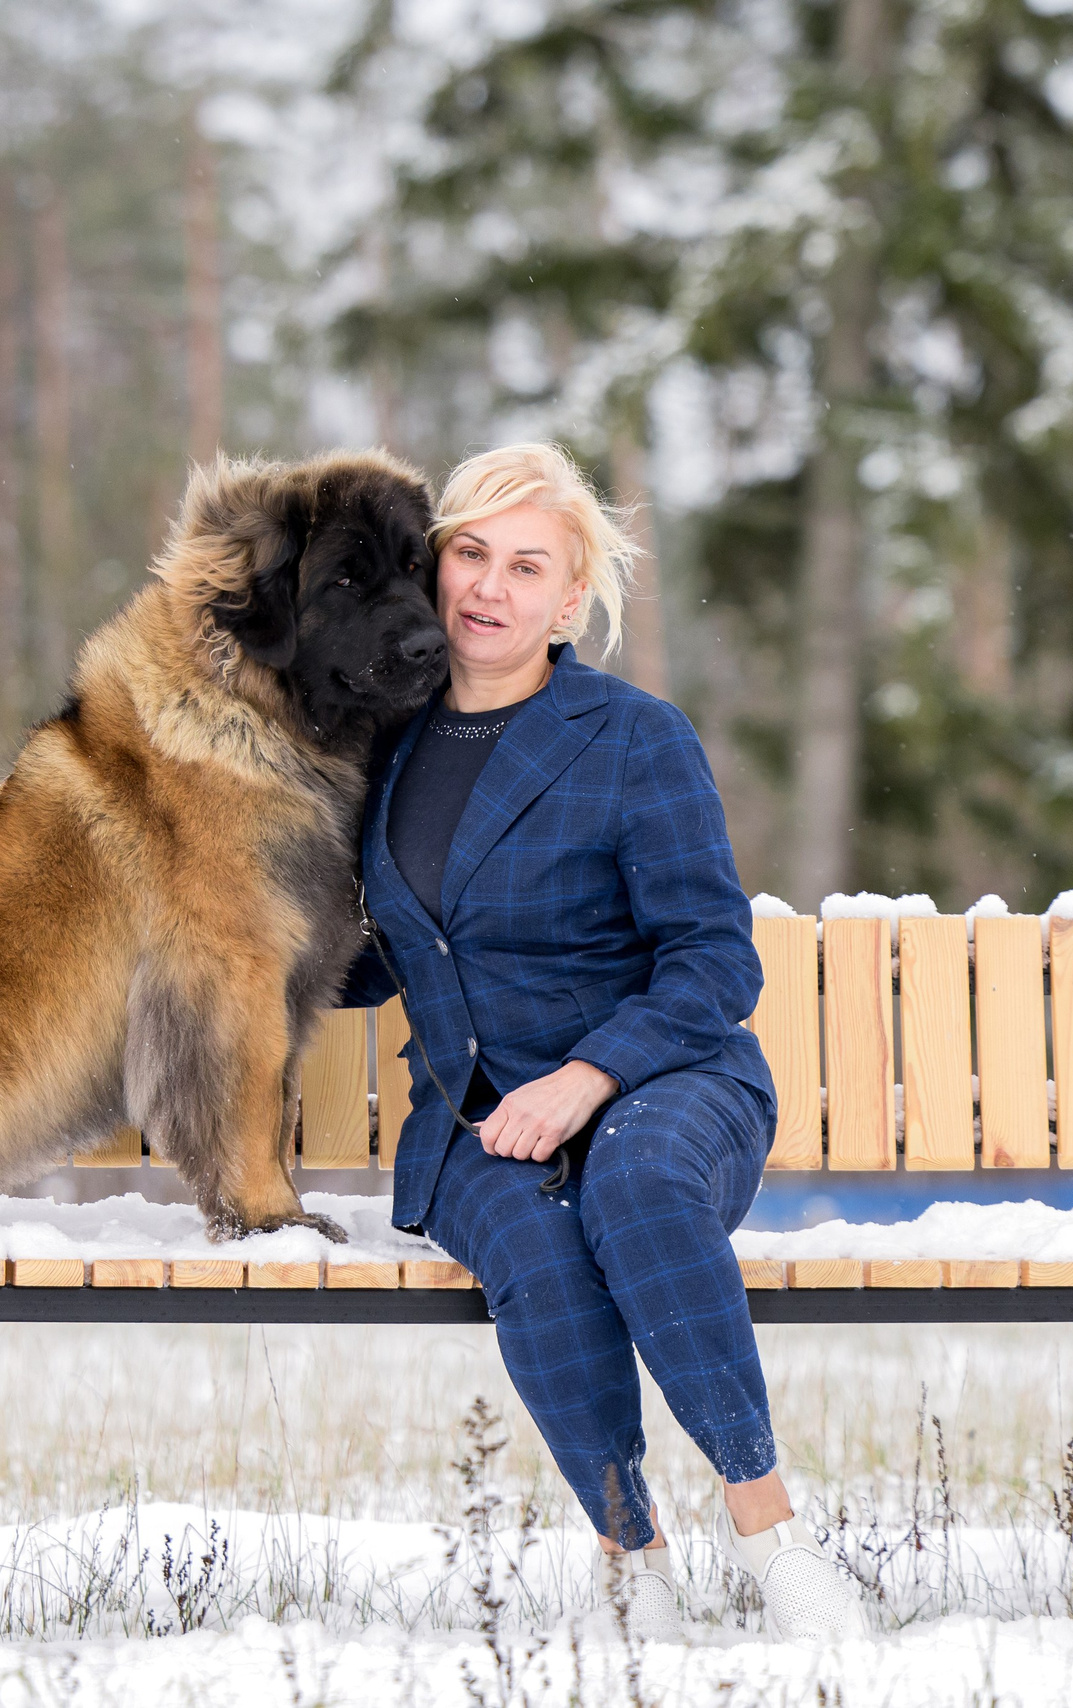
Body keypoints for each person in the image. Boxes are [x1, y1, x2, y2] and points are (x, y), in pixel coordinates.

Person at [341, 443, 866, 1641]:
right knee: (531, 1234)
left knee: (629, 1183)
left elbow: (713, 960)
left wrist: (587, 1079)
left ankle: (773, 1538)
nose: (490, 586)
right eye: (469, 553)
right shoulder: (381, 750)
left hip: (666, 1080)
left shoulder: (632, 736)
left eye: (527, 566)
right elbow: (370, 953)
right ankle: (633, 1558)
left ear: (569, 599)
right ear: (432, 569)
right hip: (480, 1109)